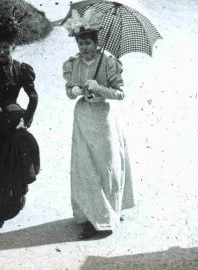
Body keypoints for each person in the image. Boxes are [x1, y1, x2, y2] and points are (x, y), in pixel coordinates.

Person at [62, 18, 134, 240]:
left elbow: (120, 93)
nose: (84, 48)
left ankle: (108, 213)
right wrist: (74, 91)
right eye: (80, 44)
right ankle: (91, 215)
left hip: (104, 120)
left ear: (96, 43)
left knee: (105, 166)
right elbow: (68, 89)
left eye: (88, 44)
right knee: (85, 166)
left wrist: (100, 88)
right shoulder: (73, 64)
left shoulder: (108, 62)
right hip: (83, 118)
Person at [0, 103, 40, 234]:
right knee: (1, 181)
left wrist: (24, 120)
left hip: (12, 120)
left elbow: (33, 98)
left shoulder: (20, 136)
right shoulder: (21, 136)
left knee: (11, 179)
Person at [0, 18, 38, 129]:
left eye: (6, 47)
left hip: (14, 117)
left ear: (13, 46)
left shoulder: (21, 69)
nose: (1, 52)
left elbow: (33, 97)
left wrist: (25, 120)